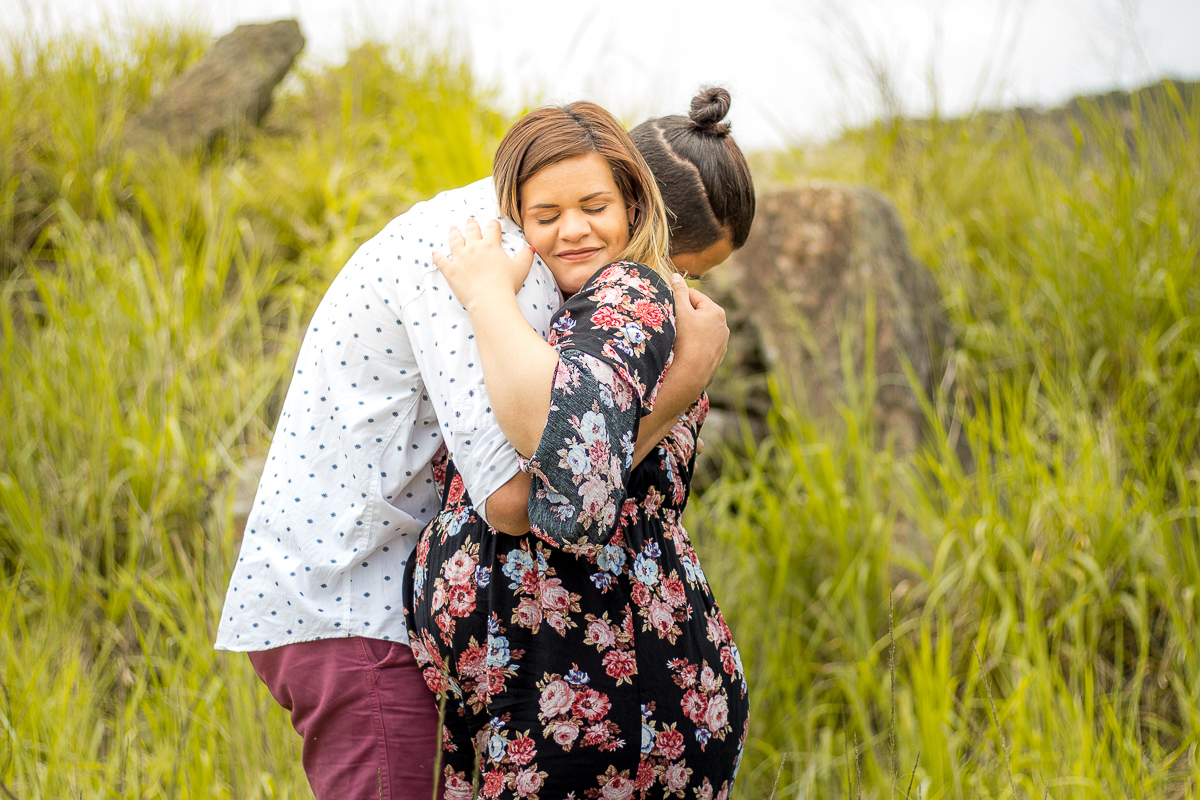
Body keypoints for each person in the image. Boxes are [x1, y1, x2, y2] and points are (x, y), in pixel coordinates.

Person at [214, 88, 749, 800]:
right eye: (675, 266)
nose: (670, 290)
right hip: (351, 606)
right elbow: (516, 498)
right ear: (639, 206)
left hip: (383, 605)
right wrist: (680, 384)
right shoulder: (494, 264)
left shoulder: (528, 244)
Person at [404, 91, 754, 800]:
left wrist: (487, 301)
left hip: (597, 683)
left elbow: (556, 484)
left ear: (633, 206)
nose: (679, 284)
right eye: (549, 212)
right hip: (536, 686)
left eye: (694, 273)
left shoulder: (632, 297)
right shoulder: (574, 299)